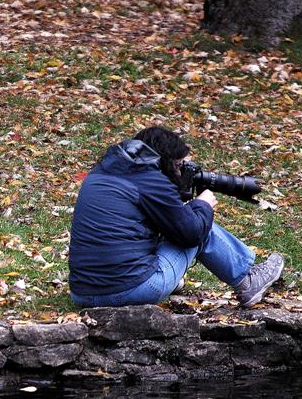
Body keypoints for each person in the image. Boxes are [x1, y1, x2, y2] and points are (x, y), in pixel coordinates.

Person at [69, 126, 284, 308]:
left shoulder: (102, 173)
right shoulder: (151, 180)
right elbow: (191, 234)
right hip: (130, 291)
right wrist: (203, 205)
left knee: (169, 225)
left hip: (82, 293)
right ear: (164, 161)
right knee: (201, 227)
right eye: (179, 166)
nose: (181, 172)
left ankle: (168, 279)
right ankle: (247, 280)